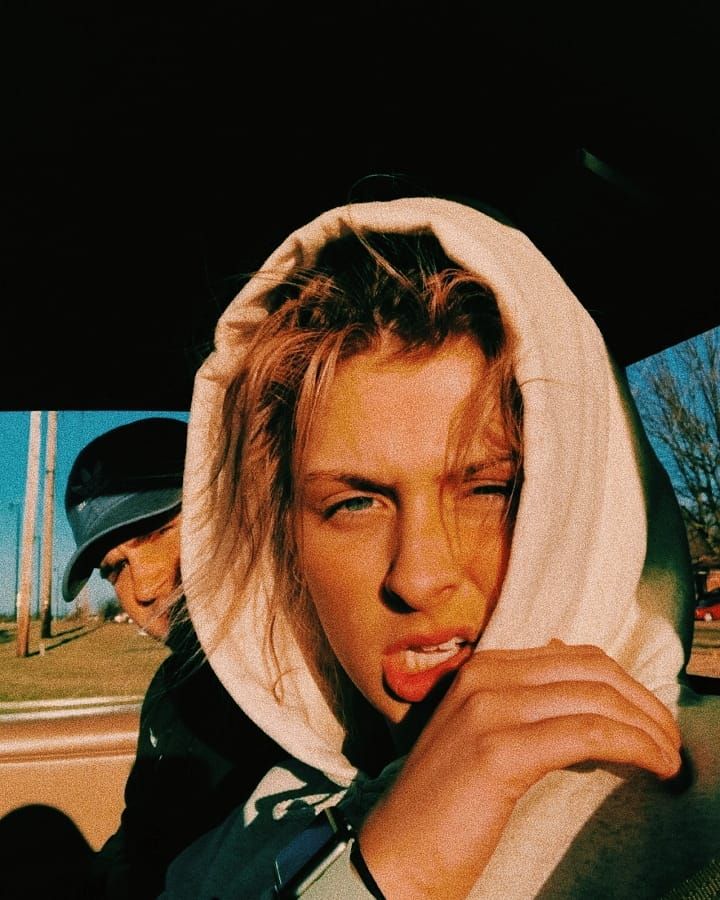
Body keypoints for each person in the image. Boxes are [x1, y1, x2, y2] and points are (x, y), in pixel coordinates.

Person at [160, 197, 720, 899]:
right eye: (354, 503)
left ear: (581, 504)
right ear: (286, 552)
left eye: (489, 490)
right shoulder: (231, 855)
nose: (419, 577)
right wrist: (385, 872)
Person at [61, 417, 285, 899]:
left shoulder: (306, 681)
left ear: (230, 509)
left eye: (158, 531)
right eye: (115, 568)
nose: (143, 588)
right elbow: (140, 827)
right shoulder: (170, 688)